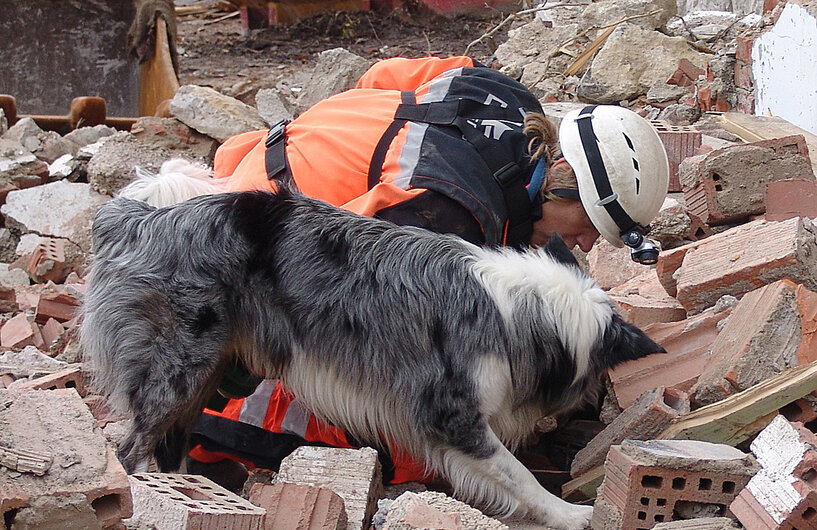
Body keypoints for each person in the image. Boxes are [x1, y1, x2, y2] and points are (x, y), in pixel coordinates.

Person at [137, 55, 670, 489]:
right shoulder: (440, 213)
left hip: (270, 158)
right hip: (242, 261)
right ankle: (219, 428)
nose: (585, 244)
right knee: (413, 450)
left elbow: (376, 80)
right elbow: (325, 296)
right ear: (562, 181)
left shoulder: (493, 89)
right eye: (591, 225)